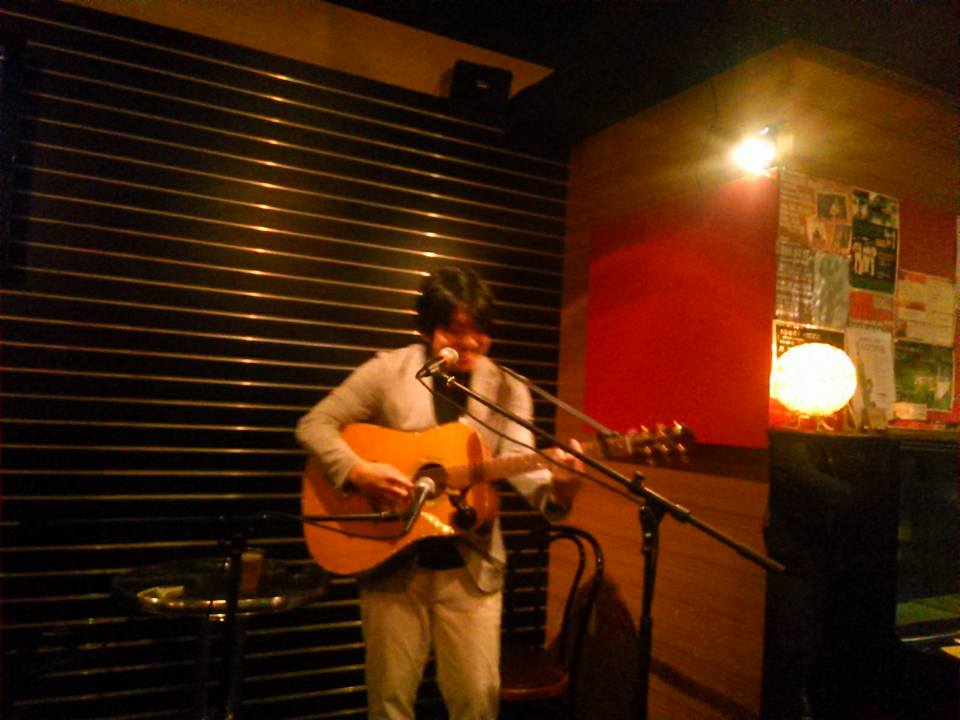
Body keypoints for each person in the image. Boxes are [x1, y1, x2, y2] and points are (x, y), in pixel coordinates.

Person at [296, 267, 583, 720]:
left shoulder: (507, 388)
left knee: (476, 702)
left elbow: (523, 466)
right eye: (454, 330)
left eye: (479, 331)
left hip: (472, 569)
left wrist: (561, 487)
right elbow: (314, 424)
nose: (469, 343)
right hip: (391, 563)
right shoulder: (388, 371)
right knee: (389, 703)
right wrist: (357, 470)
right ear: (427, 330)